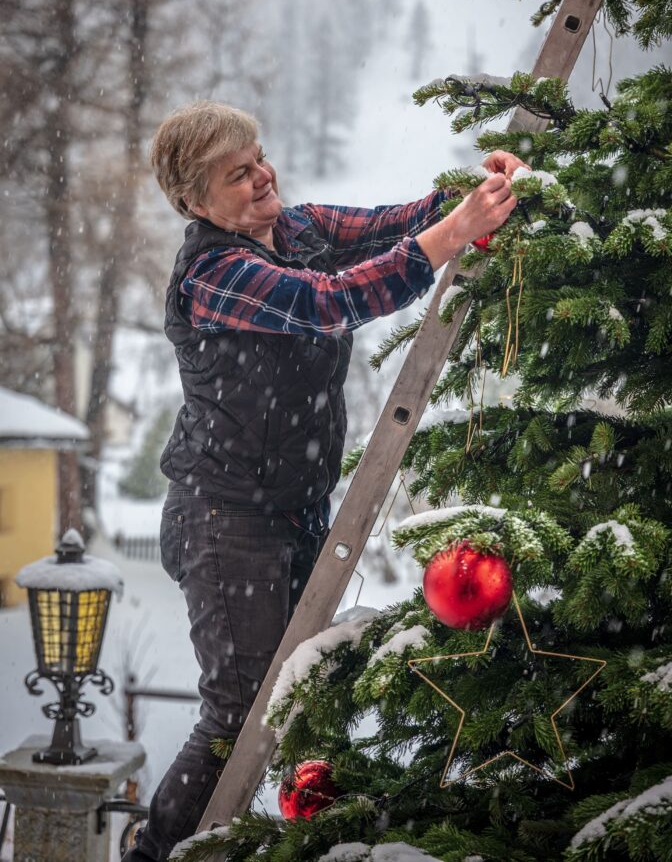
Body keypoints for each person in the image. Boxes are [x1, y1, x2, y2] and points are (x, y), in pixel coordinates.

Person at [122, 100, 525, 861]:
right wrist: (454, 233)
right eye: (237, 175)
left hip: (296, 511)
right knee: (236, 712)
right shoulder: (215, 272)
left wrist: (475, 193)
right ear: (196, 203)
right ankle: (155, 855)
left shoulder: (299, 228)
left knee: (301, 693)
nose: (262, 176)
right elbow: (327, 304)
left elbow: (395, 221)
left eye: (259, 157)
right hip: (224, 517)